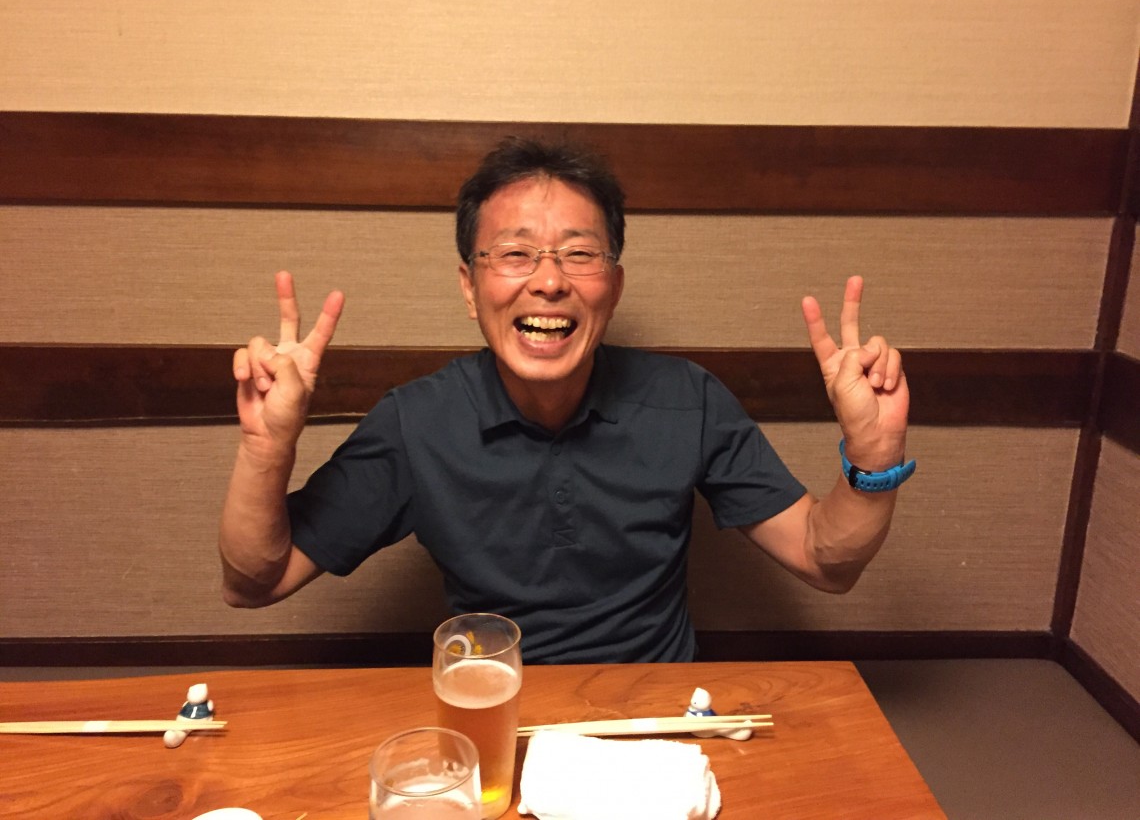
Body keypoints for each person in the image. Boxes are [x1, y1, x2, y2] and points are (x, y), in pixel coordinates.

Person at [219, 137, 912, 664]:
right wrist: (266, 447)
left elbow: (825, 560)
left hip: (656, 720)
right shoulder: (417, 421)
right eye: (514, 254)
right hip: (497, 714)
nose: (549, 281)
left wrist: (874, 454)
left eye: (579, 254)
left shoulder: (686, 400)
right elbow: (255, 581)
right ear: (469, 288)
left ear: (613, 285)